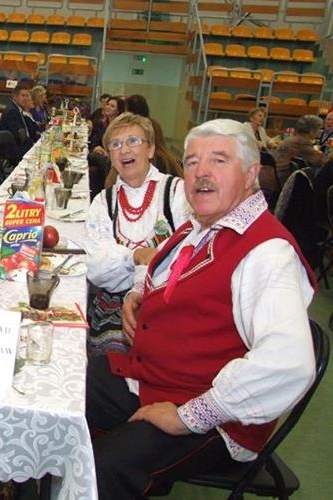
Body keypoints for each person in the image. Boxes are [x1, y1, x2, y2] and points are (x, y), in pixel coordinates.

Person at [87, 118, 316, 498]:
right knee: (65, 386)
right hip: (158, 378)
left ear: (251, 173)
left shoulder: (268, 253)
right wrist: (138, 292)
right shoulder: (202, 226)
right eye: (192, 162)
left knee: (104, 465)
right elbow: (164, 265)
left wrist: (188, 417)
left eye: (219, 160)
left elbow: (289, 363)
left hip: (216, 419)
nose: (201, 172)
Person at [85, 113, 189, 354]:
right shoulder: (104, 202)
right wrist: (135, 256)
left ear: (150, 149)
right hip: (114, 307)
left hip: (168, 303)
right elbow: (95, 268)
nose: (124, 150)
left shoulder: (177, 192)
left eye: (133, 141)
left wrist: (136, 275)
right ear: (110, 156)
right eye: (115, 144)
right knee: (109, 359)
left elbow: (187, 255)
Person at [269, 114, 323, 196]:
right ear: (312, 131)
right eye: (318, 130)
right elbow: (319, 161)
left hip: (276, 176)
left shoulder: (291, 139)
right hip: (285, 180)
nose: (319, 132)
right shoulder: (302, 142)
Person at [0, 85, 41, 163]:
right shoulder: (12, 111)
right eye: (23, 95)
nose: (26, 98)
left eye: (27, 96)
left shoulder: (17, 109)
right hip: (12, 149)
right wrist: (32, 144)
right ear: (15, 97)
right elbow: (19, 135)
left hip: (18, 145)